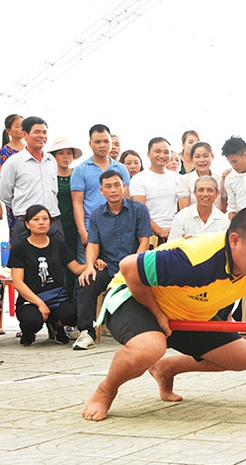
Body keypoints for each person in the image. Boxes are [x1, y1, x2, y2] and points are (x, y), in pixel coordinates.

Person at [81, 205, 246, 422]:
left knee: (242, 357)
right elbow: (130, 269)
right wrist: (157, 314)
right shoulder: (196, 258)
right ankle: (105, 391)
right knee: (149, 347)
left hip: (187, 313)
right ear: (235, 240)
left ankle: (166, 368)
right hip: (135, 297)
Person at [72, 170, 152, 351]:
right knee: (86, 281)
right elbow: (92, 244)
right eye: (108, 186)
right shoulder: (96, 215)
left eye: (117, 185)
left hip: (132, 266)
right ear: (101, 190)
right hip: (108, 267)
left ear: (123, 187)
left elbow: (144, 241)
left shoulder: (138, 209)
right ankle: (86, 332)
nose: (113, 190)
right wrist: (90, 265)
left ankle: (146, 330)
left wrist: (135, 265)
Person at [9, 205, 84, 346]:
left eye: (45, 219)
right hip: (31, 300)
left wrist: (94, 263)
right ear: (27, 224)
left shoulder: (58, 244)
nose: (41, 222)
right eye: (36, 219)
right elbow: (18, 282)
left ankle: (56, 325)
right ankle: (28, 332)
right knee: (32, 321)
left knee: (73, 315)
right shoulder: (20, 248)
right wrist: (39, 303)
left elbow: (77, 268)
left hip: (56, 298)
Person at [0, 116, 65, 245]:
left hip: (53, 223)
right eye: (37, 132)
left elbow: (54, 191)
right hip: (26, 224)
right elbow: (5, 194)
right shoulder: (13, 162)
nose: (42, 136)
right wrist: (23, 210)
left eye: (44, 132)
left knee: (58, 263)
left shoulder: (51, 160)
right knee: (24, 264)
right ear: (25, 134)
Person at [71, 124, 131, 262]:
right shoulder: (81, 170)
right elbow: (77, 203)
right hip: (91, 230)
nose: (102, 145)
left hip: (118, 230)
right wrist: (83, 232)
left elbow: (127, 200)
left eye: (106, 141)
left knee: (118, 274)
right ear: (90, 144)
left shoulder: (121, 169)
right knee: (88, 275)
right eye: (98, 142)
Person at [130, 137, 180, 243]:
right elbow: (139, 211)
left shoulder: (177, 178)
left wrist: (176, 230)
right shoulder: (139, 178)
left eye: (166, 152)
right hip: (149, 236)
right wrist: (160, 231)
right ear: (148, 153)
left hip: (175, 233)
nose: (162, 155)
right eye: (157, 151)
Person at [50, 137, 83, 300]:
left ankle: (71, 302)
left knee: (73, 264)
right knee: (56, 265)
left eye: (68, 153)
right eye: (61, 153)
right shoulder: (50, 175)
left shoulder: (77, 174)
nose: (65, 157)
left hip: (74, 227)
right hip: (54, 226)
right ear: (54, 156)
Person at [168, 175, 230, 241]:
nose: (205, 194)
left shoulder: (224, 221)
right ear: (194, 193)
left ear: (217, 194)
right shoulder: (182, 217)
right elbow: (171, 246)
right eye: (201, 190)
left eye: (210, 190)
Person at [177, 142, 222, 211]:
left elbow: (224, 206)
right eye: (197, 157)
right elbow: (184, 210)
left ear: (212, 157)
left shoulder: (220, 179)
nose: (202, 160)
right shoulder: (184, 180)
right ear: (192, 159)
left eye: (205, 156)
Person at [1, 114, 24, 233]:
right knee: (17, 233)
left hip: (31, 195)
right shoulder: (4, 151)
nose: (21, 129)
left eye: (23, 125)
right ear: (8, 130)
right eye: (18, 126)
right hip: (14, 199)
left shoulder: (30, 148)